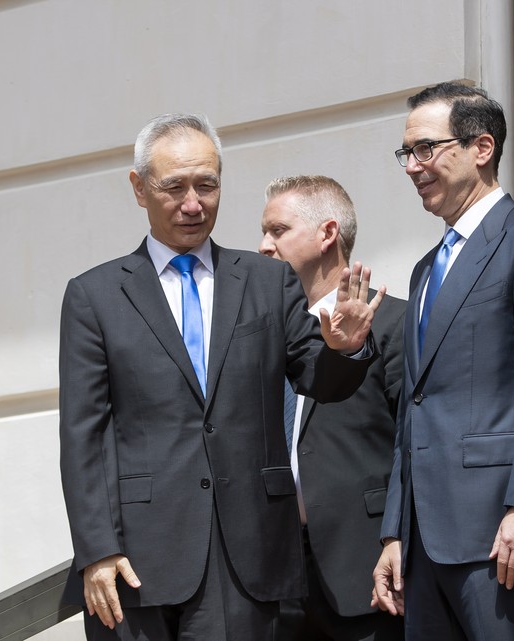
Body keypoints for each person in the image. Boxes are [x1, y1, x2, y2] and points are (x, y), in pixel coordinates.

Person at [59, 113, 384, 640]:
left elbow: (319, 380)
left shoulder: (267, 281)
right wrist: (97, 549)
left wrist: (346, 351)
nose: (194, 203)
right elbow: (83, 436)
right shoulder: (95, 296)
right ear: (139, 189)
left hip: (246, 559)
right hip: (134, 563)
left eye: (207, 185)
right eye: (175, 187)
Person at [371, 81, 514, 640]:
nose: (413, 166)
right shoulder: (424, 271)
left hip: (499, 532)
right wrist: (395, 531)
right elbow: (410, 414)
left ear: (481, 148)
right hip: (424, 541)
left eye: (426, 149)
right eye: (406, 154)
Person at [259, 175, 406, 641]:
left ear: (326, 234)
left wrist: (399, 536)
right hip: (279, 581)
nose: (263, 246)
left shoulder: (394, 325)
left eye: (278, 231)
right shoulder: (262, 337)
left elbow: (416, 442)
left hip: (367, 571)